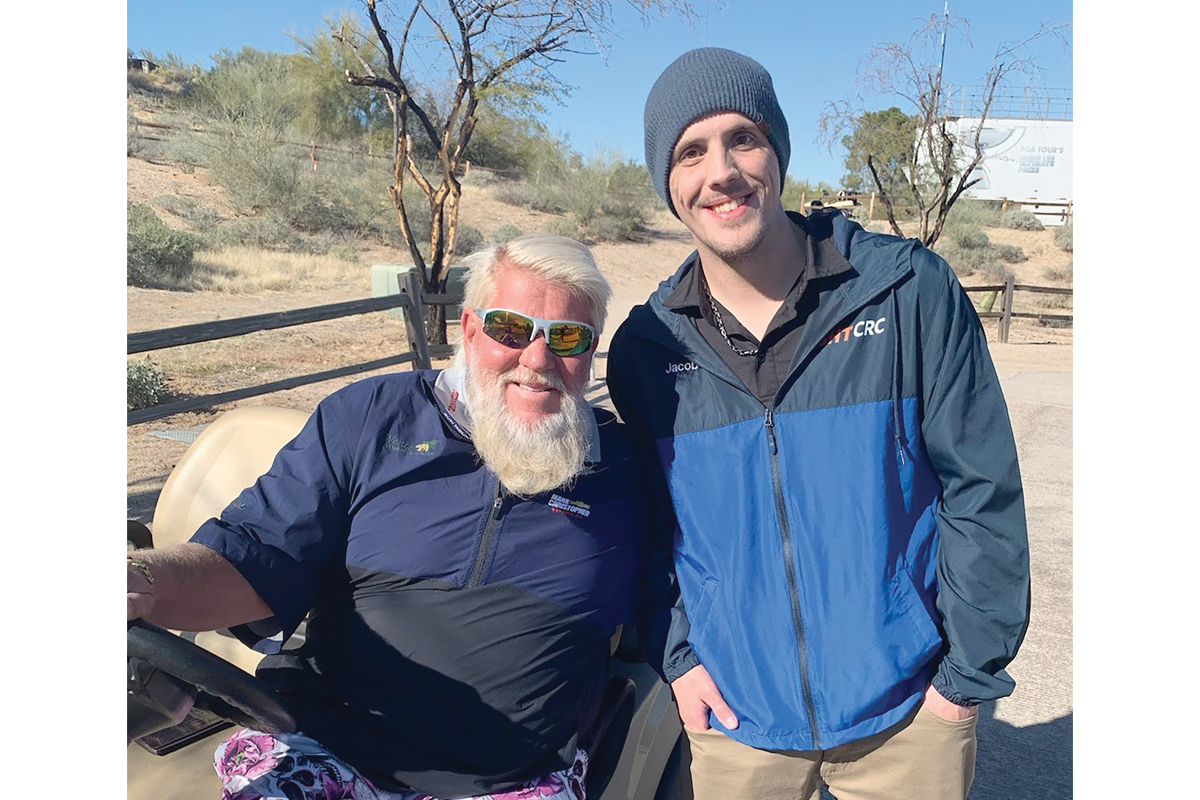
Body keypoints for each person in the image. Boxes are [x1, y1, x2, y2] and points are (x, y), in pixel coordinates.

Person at [605, 47, 1030, 800]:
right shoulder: (647, 348)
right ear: (667, 183)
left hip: (908, 718)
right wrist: (679, 659)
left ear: (778, 152)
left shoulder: (906, 292)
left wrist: (965, 679)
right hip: (735, 723)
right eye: (690, 152)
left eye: (745, 138)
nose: (722, 172)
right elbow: (650, 529)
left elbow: (982, 489)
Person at [127, 234, 654, 800]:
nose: (537, 358)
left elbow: (705, 576)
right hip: (322, 750)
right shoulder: (372, 417)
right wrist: (144, 583)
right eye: (510, 328)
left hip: (510, 782)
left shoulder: (627, 470)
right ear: (470, 330)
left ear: (590, 350)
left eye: (568, 338)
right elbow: (253, 557)